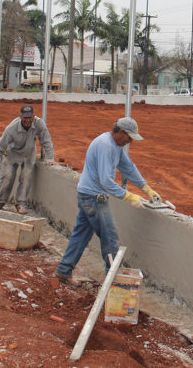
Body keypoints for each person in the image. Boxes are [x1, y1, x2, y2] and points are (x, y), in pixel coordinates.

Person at [54, 117, 162, 286]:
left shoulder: (116, 146)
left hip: (87, 194)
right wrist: (129, 196)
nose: (131, 142)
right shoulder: (106, 146)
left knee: (81, 235)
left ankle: (64, 270)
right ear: (121, 132)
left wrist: (145, 187)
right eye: (129, 137)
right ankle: (114, 282)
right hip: (94, 198)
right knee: (109, 238)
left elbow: (128, 167)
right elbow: (106, 181)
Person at [0, 104, 54, 214]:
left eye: (30, 117)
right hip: (13, 153)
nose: (28, 120)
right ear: (20, 117)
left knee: (26, 178)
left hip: (29, 153)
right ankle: (0, 201)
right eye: (25, 118)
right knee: (7, 177)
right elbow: (0, 147)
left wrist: (49, 157)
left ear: (33, 117)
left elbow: (46, 140)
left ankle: (21, 203)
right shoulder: (11, 129)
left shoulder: (39, 123)